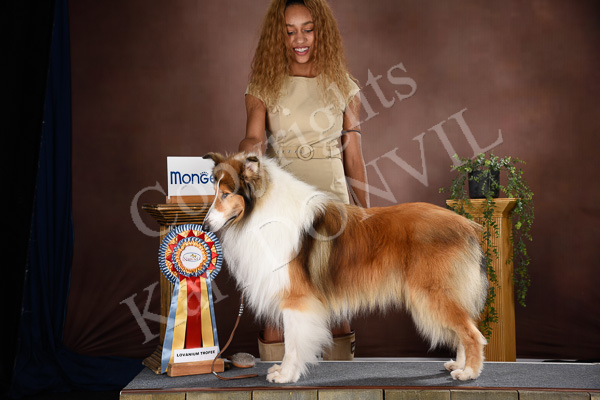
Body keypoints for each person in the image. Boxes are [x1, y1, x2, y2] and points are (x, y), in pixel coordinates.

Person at [239, 0, 370, 361]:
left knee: (336, 306)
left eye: (308, 29)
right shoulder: (262, 85)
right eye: (290, 31)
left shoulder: (344, 86)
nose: (300, 39)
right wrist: (247, 156)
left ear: (321, 32)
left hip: (332, 201)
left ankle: (342, 383)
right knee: (279, 310)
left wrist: (367, 214)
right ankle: (274, 381)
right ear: (278, 36)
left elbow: (354, 158)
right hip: (284, 204)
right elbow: (253, 138)